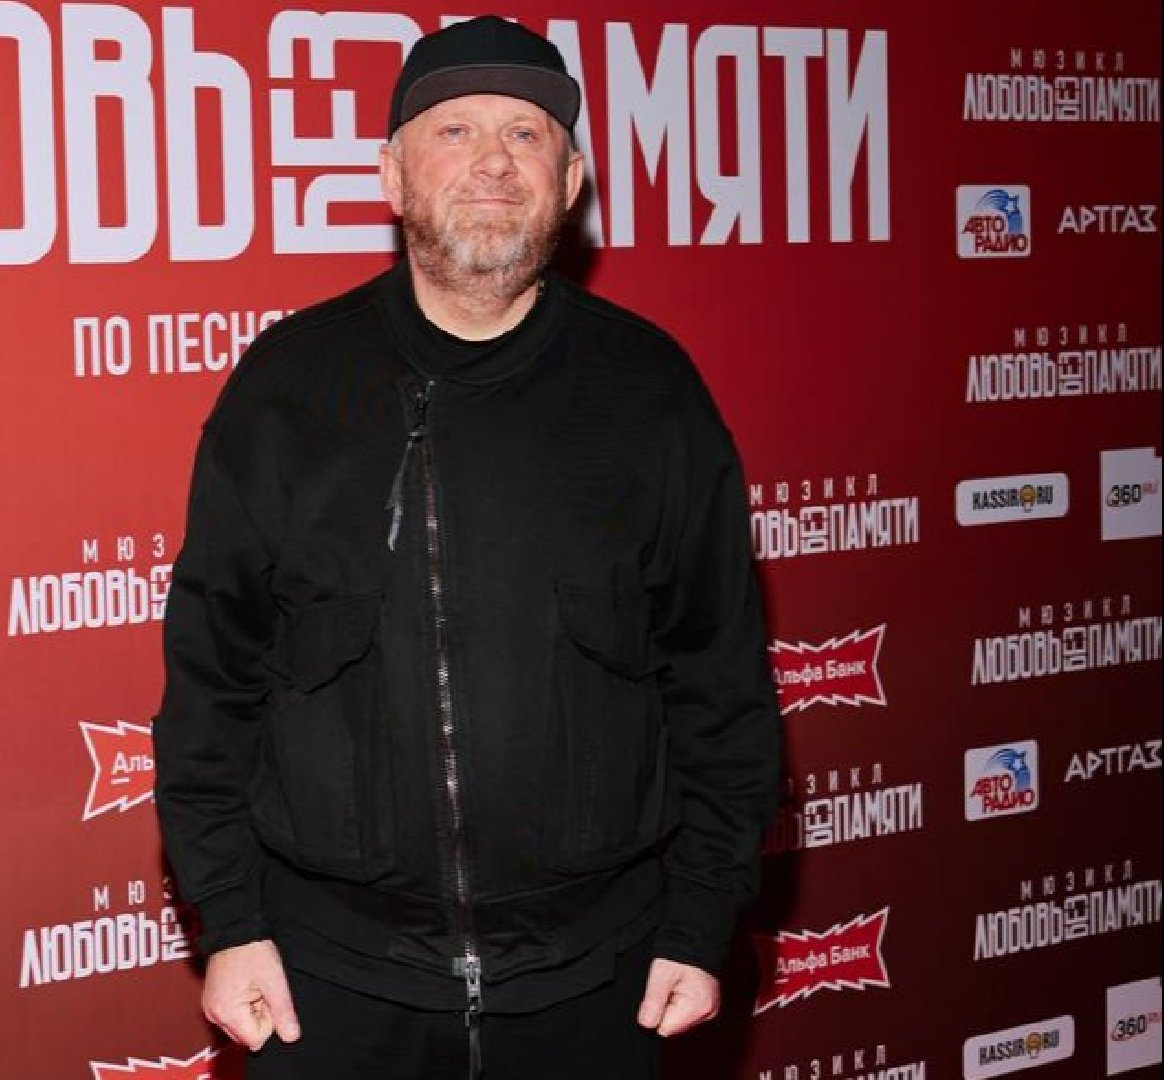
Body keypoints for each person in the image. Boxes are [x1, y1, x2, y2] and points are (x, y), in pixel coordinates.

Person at [153, 15, 781, 1079]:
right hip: (328, 984)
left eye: (525, 134)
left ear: (569, 181)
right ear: (391, 176)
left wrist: (699, 920)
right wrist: (231, 920)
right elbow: (212, 686)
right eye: (454, 130)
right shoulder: (288, 388)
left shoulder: (649, 392)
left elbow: (719, 682)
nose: (492, 160)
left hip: (599, 976)